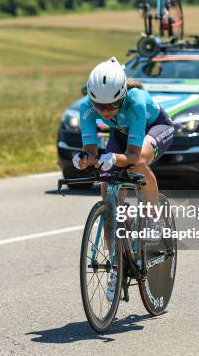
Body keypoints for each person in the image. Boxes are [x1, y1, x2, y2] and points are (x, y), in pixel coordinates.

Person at [71, 56, 174, 301]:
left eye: (111, 106)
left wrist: (114, 159)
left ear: (122, 96)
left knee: (137, 165)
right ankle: (116, 267)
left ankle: (154, 218)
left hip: (154, 128)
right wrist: (86, 158)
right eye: (100, 107)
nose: (105, 112)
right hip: (121, 132)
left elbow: (132, 155)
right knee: (108, 196)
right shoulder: (87, 106)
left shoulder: (136, 102)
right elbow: (92, 149)